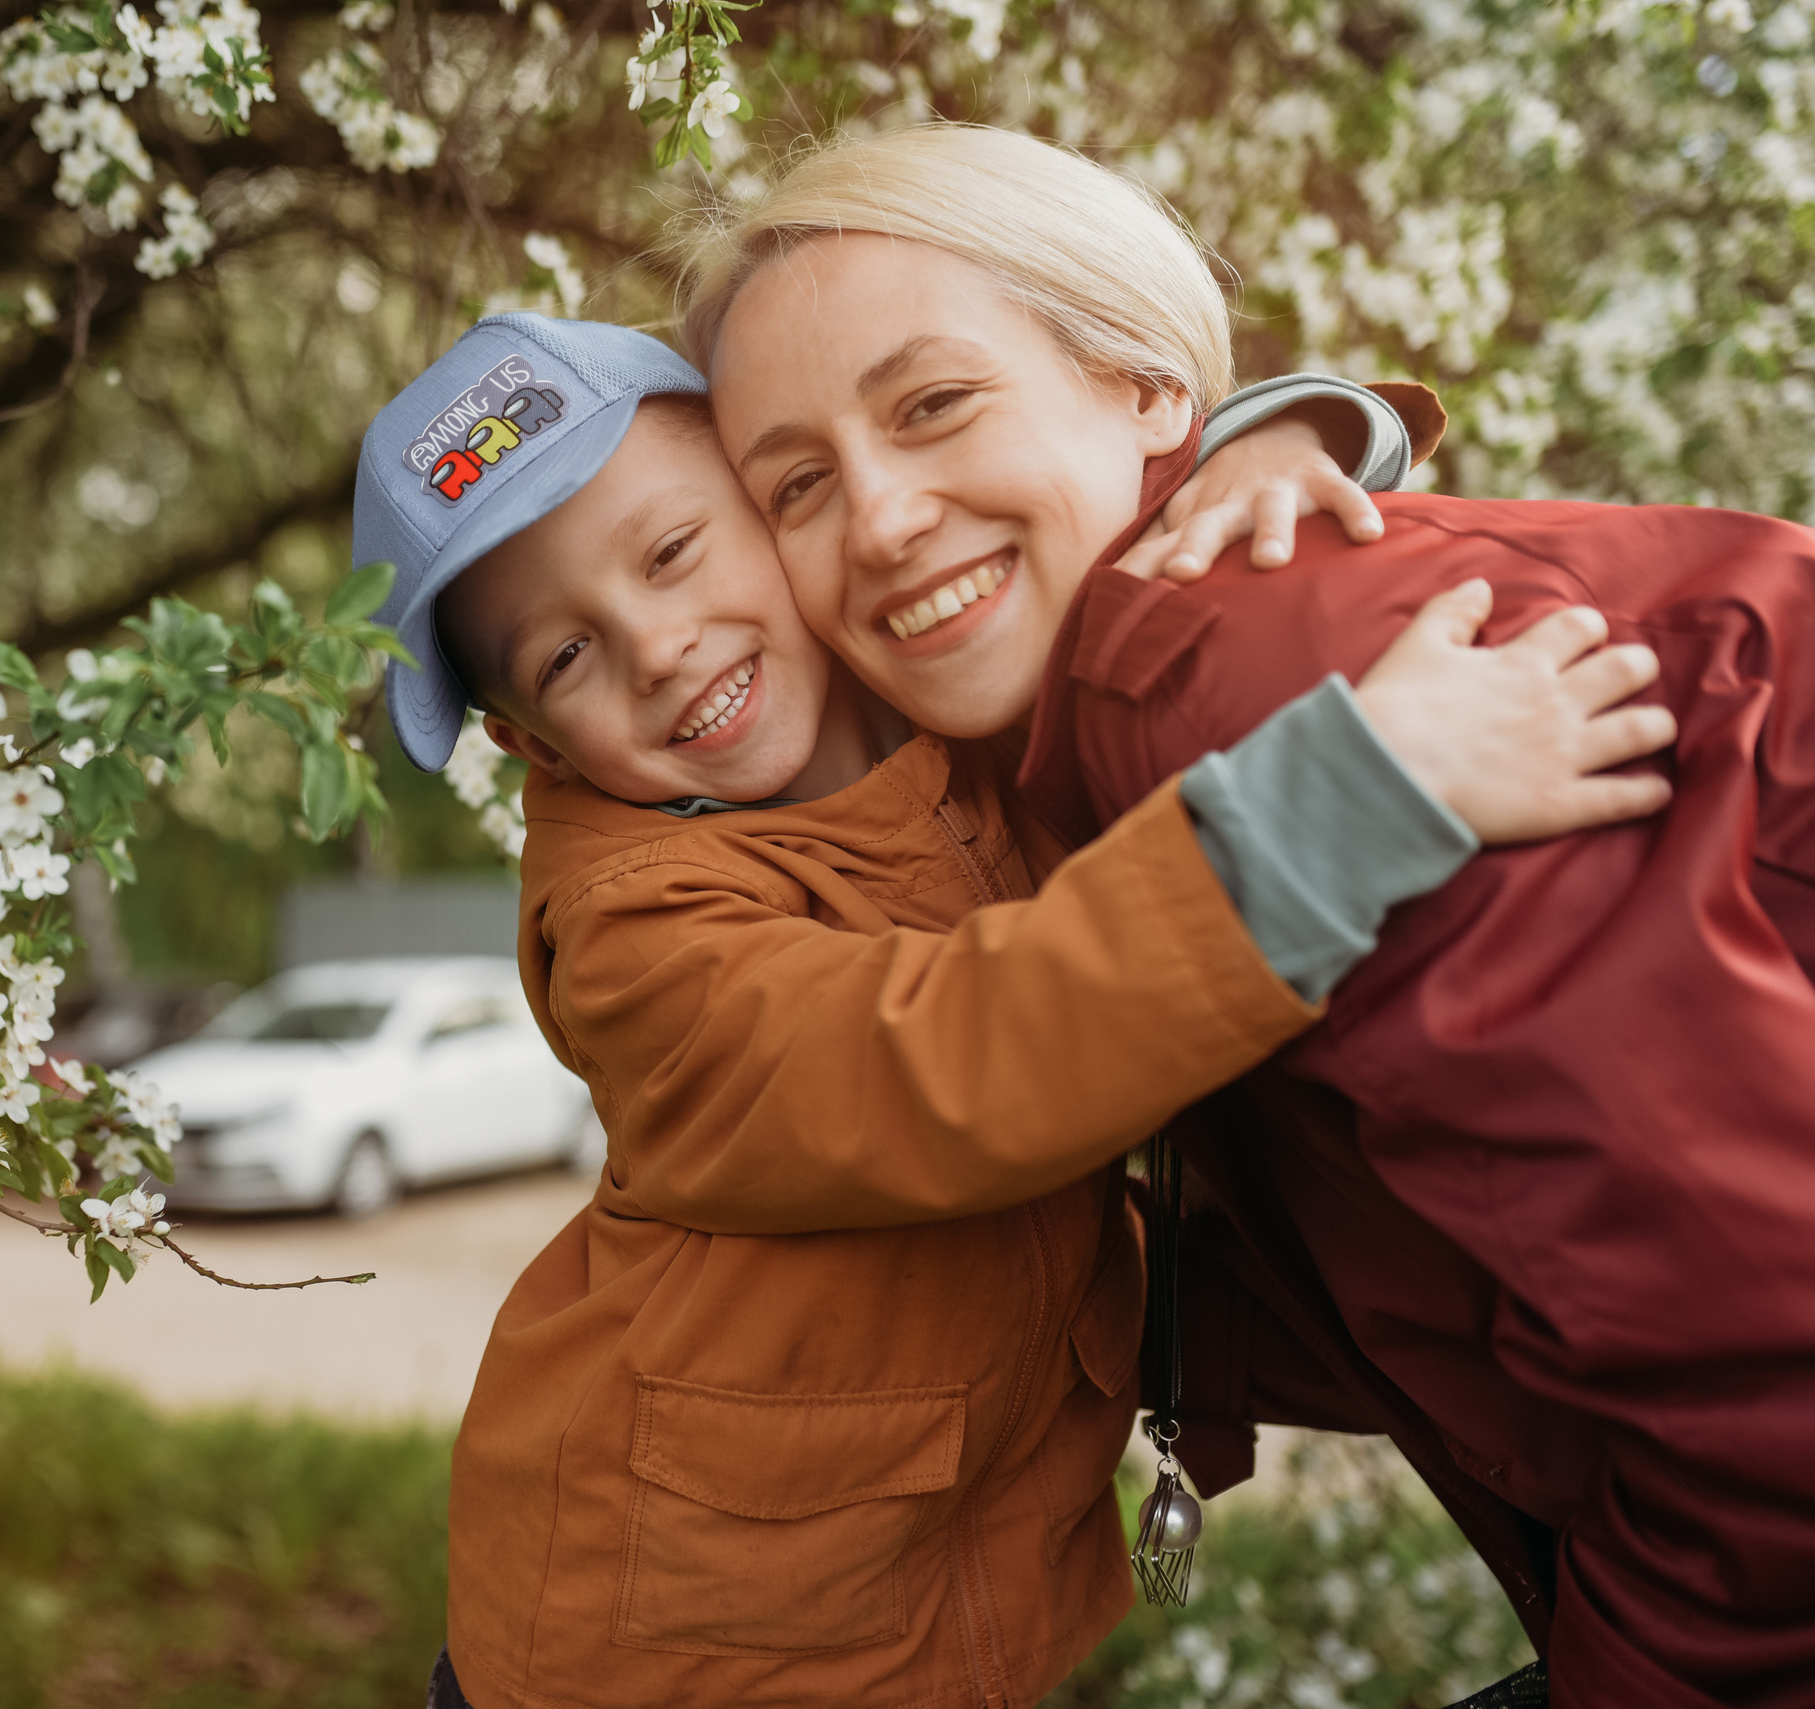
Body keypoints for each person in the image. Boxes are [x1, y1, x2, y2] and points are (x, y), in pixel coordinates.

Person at [353, 308, 1670, 1707]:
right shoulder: (636, 938)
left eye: (674, 551)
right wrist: (1347, 809)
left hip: (907, 1616)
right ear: (527, 741)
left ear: (780, 499)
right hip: (649, 1656)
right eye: (565, 657)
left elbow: (1076, 511)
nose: (659, 646)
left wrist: (1277, 444)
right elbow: (952, 1053)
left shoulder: (947, 692)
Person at [680, 121, 1813, 1708]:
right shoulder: (1087, 743)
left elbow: (1764, 1379)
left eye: (934, 405)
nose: (876, 520)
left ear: (1149, 392)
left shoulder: (1246, 684)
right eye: (795, 487)